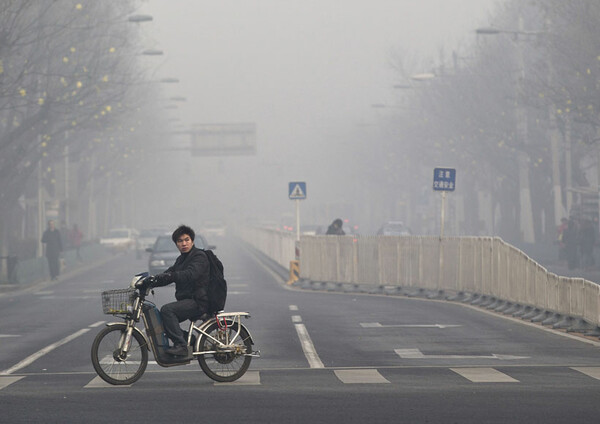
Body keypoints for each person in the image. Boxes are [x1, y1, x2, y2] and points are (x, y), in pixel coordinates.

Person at [142, 225, 209, 356]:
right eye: (180, 241)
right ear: (176, 244)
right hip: (188, 300)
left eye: (187, 239)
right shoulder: (181, 259)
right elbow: (169, 274)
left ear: (192, 241)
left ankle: (182, 346)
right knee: (160, 320)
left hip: (199, 300)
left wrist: (171, 276)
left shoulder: (199, 256)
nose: (184, 243)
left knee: (167, 310)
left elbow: (190, 274)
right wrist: (151, 281)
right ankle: (189, 340)